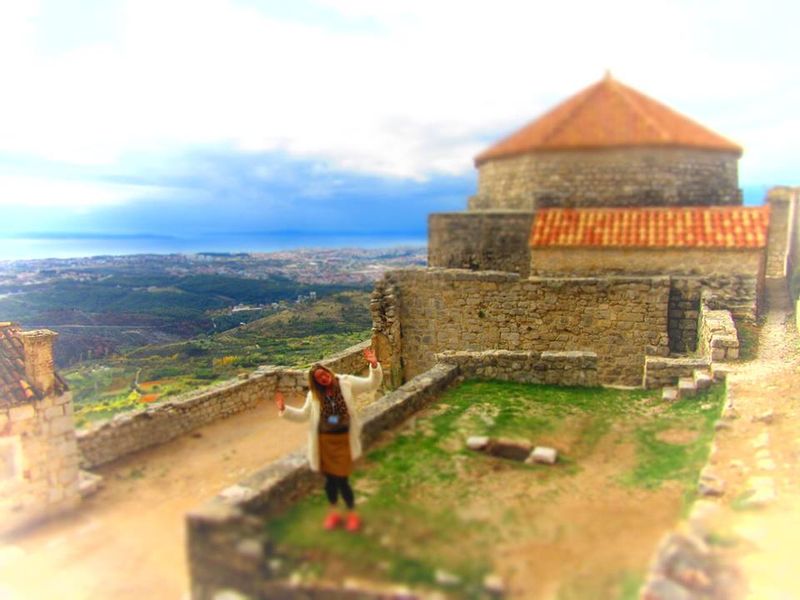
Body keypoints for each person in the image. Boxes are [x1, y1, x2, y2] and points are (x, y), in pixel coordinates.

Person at [274, 348, 382, 532]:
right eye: (319, 379)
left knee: (342, 480)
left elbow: (371, 384)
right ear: (316, 383)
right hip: (325, 441)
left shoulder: (346, 382)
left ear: (328, 372)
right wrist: (285, 410)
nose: (323, 379)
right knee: (330, 481)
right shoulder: (315, 396)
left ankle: (352, 514)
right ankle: (334, 513)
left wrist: (373, 365)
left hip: (343, 440)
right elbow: (303, 415)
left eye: (323, 374)